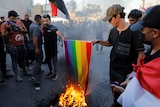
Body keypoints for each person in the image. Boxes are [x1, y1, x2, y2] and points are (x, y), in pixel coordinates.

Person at [92, 4, 144, 107]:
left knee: (126, 97)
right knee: (115, 93)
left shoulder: (134, 31)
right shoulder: (113, 31)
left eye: (110, 19)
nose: (109, 22)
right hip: (113, 69)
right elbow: (110, 43)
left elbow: (141, 53)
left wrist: (135, 73)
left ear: (118, 16)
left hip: (127, 72)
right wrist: (98, 41)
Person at [118, 5, 160, 107]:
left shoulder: (157, 66)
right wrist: (131, 83)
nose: (140, 33)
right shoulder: (152, 51)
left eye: (142, 30)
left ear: (154, 33)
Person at [1, 10, 29, 82]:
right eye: (12, 18)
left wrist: (20, 29)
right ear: (9, 17)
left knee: (22, 59)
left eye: (15, 18)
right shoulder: (4, 25)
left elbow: (25, 30)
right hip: (12, 45)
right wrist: (8, 30)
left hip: (21, 44)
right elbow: (2, 36)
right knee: (14, 60)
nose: (14, 19)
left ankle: (25, 71)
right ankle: (17, 75)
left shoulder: (19, 22)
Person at [42, 14, 64, 80]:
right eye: (44, 21)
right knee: (48, 60)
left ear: (50, 21)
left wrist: (62, 37)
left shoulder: (53, 28)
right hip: (46, 47)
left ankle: (55, 73)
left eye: (47, 21)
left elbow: (58, 32)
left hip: (53, 48)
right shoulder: (43, 28)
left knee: (54, 61)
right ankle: (51, 71)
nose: (45, 22)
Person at [29, 14, 43, 85]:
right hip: (35, 47)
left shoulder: (31, 25)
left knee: (37, 60)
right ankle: (33, 77)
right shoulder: (36, 28)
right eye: (41, 20)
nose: (42, 21)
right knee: (38, 61)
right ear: (38, 20)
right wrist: (37, 48)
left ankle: (38, 71)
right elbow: (35, 37)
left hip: (31, 46)